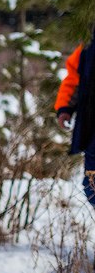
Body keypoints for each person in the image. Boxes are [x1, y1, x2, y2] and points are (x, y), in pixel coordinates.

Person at [55, 36, 95, 206]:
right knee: (91, 184)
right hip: (92, 124)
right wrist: (65, 108)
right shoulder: (88, 47)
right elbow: (74, 79)